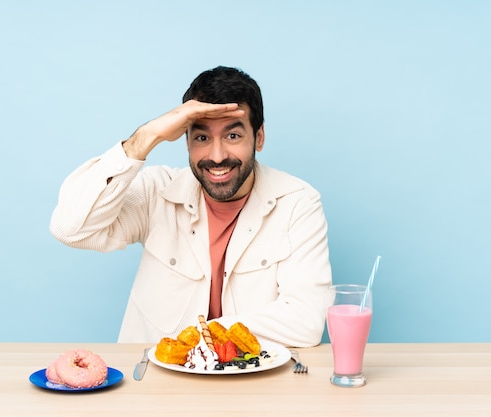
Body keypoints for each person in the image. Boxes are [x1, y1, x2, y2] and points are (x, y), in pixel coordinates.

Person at [50, 66, 332, 347]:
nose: (217, 156)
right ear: (186, 142)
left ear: (258, 137)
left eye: (233, 136)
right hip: (155, 384)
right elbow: (71, 228)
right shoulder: (158, 192)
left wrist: (199, 336)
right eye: (201, 138)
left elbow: (305, 321)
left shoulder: (298, 203)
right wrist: (148, 136)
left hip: (251, 385)